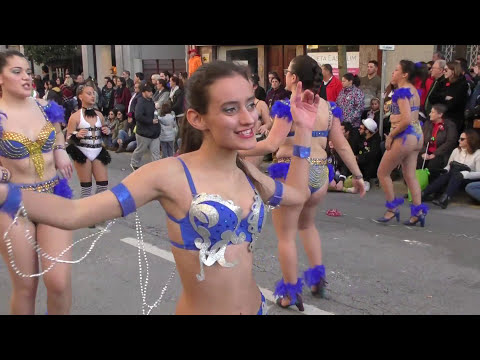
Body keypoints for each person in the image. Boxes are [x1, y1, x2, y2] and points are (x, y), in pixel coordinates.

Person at [0, 60, 318, 315]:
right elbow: (72, 212)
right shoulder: (168, 174)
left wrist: (303, 131)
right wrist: (4, 193)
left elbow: (297, 196)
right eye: (231, 109)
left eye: (250, 104)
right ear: (197, 118)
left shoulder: (246, 170)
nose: (249, 118)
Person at [239, 55, 365, 308]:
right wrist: (358, 176)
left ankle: (290, 291)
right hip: (320, 175)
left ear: (295, 78)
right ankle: (318, 281)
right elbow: (340, 144)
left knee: (285, 236)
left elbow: (271, 144)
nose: (284, 75)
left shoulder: (288, 106)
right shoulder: (328, 109)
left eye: (287, 72)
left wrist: (237, 150)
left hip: (291, 173)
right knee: (307, 226)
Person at [0, 50, 74, 314]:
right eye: (16, 72)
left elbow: (56, 132)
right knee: (25, 286)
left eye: (28, 72)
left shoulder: (45, 107)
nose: (26, 77)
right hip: (13, 205)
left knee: (59, 282)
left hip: (52, 196)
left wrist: (60, 149)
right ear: (0, 78)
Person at [376, 60, 429, 227]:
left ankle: (392, 209)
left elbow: (405, 120)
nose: (393, 72)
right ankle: (417, 212)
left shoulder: (401, 92)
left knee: (382, 173)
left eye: (396, 70)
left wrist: (391, 135)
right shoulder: (414, 91)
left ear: (405, 74)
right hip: (417, 135)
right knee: (409, 175)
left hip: (404, 135)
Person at [65, 84, 112, 210]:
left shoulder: (99, 115)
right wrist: (76, 135)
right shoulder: (75, 117)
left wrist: (106, 131)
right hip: (82, 151)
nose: (92, 96)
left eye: (93, 93)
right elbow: (67, 139)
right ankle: (86, 213)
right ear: (80, 96)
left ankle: (97, 211)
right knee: (86, 187)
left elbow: (104, 132)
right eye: (89, 93)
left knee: (103, 185)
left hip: (98, 150)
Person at [421, 129, 480, 209]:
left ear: (470, 140)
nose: (459, 141)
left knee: (455, 175)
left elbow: (478, 173)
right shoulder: (456, 150)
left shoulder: (477, 153)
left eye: (462, 139)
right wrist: (445, 170)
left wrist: (465, 174)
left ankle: (432, 195)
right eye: (459, 138)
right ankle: (427, 194)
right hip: (453, 174)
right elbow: (449, 166)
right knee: (446, 174)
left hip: (467, 178)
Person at [418, 104, 458, 179]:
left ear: (440, 114)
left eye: (432, 112)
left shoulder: (449, 125)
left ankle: (430, 186)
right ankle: (415, 183)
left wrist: (435, 154)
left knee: (434, 164)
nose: (429, 114)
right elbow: (420, 139)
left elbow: (450, 142)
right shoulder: (427, 124)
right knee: (417, 160)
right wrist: (424, 152)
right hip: (426, 151)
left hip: (440, 153)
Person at [130, 82, 160, 171]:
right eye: (149, 91)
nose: (151, 93)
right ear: (143, 92)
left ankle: (157, 168)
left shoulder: (151, 101)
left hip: (154, 132)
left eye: (151, 91)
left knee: (156, 152)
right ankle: (134, 163)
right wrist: (150, 121)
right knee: (140, 150)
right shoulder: (140, 102)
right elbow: (138, 116)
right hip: (143, 133)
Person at [443, 61, 469, 134]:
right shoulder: (445, 82)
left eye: (446, 70)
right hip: (445, 116)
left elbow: (454, 103)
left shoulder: (462, 84)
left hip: (454, 119)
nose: (444, 72)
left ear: (453, 71)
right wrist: (445, 97)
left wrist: (445, 99)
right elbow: (435, 97)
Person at [357, 117, 381, 190]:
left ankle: (366, 181)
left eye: (361, 128)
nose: (359, 129)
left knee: (370, 159)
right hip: (359, 164)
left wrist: (359, 158)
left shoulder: (375, 140)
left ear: (367, 131)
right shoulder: (360, 137)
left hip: (370, 168)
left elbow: (372, 154)